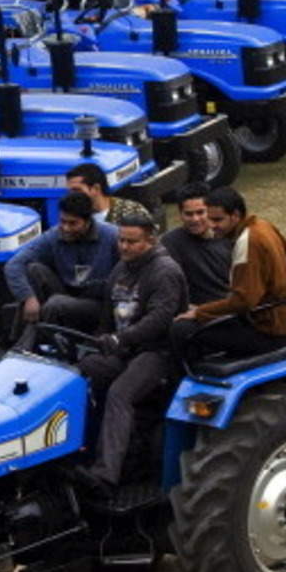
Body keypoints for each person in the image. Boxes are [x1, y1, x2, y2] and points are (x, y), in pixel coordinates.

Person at [73, 212, 188, 495]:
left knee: (120, 394)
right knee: (80, 372)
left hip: (158, 353)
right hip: (125, 350)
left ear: (150, 240)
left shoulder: (165, 272)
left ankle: (105, 476)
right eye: (121, 240)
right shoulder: (120, 270)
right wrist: (100, 340)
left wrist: (120, 339)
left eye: (132, 242)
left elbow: (159, 320)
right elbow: (106, 318)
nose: (124, 247)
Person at [171, 187, 286, 360]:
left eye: (218, 220)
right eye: (210, 219)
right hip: (278, 322)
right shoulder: (263, 225)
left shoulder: (247, 242)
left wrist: (199, 312)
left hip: (263, 331)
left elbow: (244, 301)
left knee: (180, 329)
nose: (211, 225)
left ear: (235, 215)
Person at [5, 191, 120, 345]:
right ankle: (18, 341)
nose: (66, 228)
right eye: (62, 222)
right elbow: (14, 265)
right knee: (34, 270)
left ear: (87, 221)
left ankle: (36, 346)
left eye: (73, 223)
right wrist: (28, 298)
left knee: (56, 304)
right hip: (68, 292)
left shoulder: (112, 236)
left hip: (99, 304)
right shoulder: (54, 236)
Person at [160, 181, 232, 305]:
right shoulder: (171, 243)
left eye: (200, 212)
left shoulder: (228, 238)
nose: (195, 219)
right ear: (180, 214)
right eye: (188, 214)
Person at [65, 162, 154, 225]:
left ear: (96, 188)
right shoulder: (73, 216)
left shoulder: (131, 211)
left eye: (77, 190)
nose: (71, 195)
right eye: (69, 191)